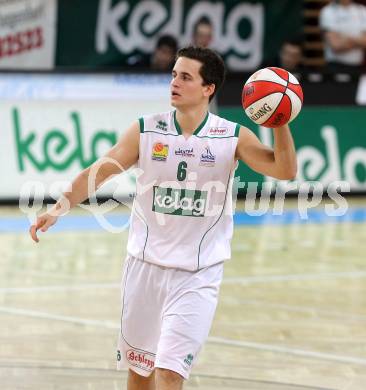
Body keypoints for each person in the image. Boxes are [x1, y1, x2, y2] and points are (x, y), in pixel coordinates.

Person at [29, 47, 297, 390]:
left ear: (207, 88)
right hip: (145, 268)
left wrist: (279, 122)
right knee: (140, 373)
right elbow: (98, 172)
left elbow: (285, 169)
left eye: (185, 77)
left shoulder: (232, 136)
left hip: (198, 275)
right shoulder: (146, 130)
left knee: (170, 373)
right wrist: (57, 208)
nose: (174, 82)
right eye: (173, 74)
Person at [319, 0, 366, 73]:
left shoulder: (362, 10)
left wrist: (345, 38)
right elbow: (336, 45)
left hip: (357, 67)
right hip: (335, 66)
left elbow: (365, 42)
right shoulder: (328, 11)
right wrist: (358, 41)